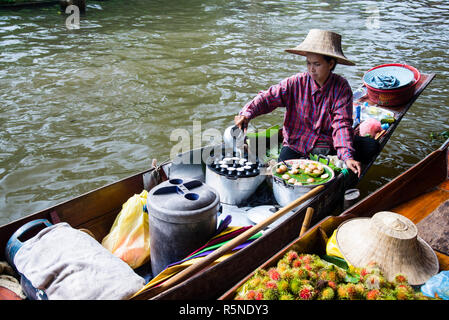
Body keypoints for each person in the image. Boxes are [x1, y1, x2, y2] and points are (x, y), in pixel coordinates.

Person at [234, 29, 379, 177]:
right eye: (308, 63)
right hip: (297, 143)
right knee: (284, 172)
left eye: (316, 64)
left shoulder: (341, 88)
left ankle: (346, 171)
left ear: (330, 64)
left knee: (371, 146)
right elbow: (268, 97)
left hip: (327, 143)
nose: (311, 69)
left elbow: (341, 125)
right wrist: (247, 114)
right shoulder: (296, 82)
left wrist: (347, 156)